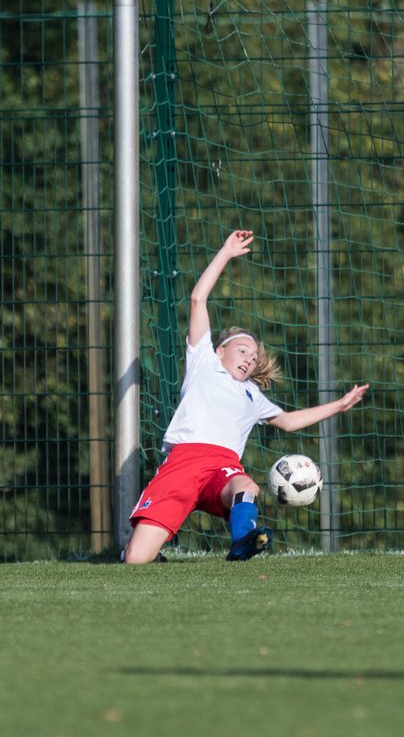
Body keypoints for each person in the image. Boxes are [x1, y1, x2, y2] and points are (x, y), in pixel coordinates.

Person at [123, 229, 369, 565]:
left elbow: (288, 422)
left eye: (253, 358)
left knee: (247, 487)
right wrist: (225, 253)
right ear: (220, 350)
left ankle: (243, 543)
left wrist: (339, 405)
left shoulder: (253, 395)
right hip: (183, 462)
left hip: (221, 467)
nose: (249, 360)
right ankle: (138, 551)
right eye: (242, 351)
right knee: (136, 561)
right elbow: (198, 298)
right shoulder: (203, 362)